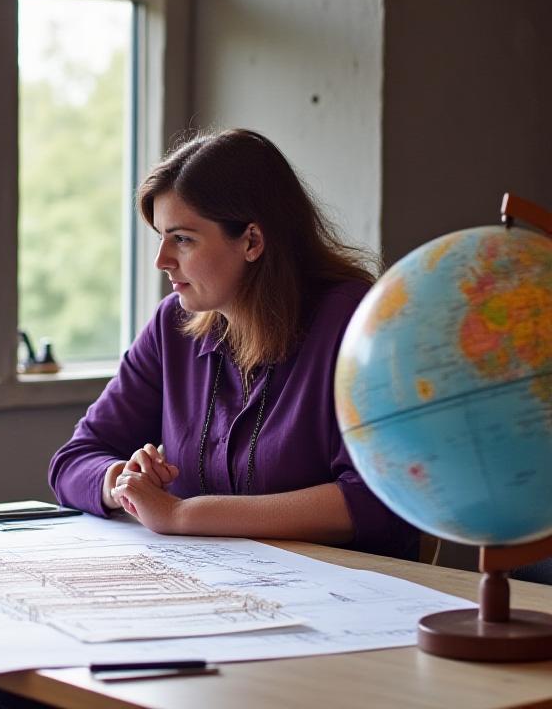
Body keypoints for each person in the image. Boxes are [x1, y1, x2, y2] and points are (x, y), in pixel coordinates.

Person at [49, 128, 419, 561]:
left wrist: (184, 516)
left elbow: (375, 500)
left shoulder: (357, 322)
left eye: (183, 239)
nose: (161, 260)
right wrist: (124, 482)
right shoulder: (172, 325)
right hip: (217, 589)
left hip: (356, 597)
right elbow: (73, 461)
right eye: (161, 237)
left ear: (252, 241)